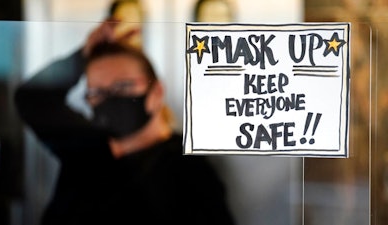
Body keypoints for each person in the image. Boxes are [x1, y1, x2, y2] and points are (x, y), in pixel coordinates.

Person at [15, 16, 235, 225]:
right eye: (97, 92)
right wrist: (82, 55)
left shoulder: (188, 171)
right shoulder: (87, 149)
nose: (109, 99)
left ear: (156, 92)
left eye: (123, 87)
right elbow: (32, 99)